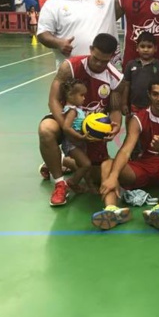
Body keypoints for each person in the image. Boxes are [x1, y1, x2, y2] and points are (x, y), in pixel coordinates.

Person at [38, 33, 123, 207]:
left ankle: (58, 161)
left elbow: (115, 108)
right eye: (96, 58)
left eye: (104, 61)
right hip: (67, 118)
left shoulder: (115, 77)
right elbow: (53, 100)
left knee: (95, 175)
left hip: (92, 129)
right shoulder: (70, 67)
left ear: (111, 57)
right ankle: (60, 184)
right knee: (46, 129)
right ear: (91, 49)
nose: (98, 64)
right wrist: (66, 128)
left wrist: (115, 127)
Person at [98, 80, 159, 231]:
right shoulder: (138, 118)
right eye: (155, 94)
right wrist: (114, 176)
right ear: (149, 95)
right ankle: (112, 210)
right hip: (143, 166)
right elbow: (126, 150)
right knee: (107, 165)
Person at [36, 0, 120, 68]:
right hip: (72, 70)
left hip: (106, 69)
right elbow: (43, 34)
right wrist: (58, 43)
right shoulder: (53, 3)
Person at [121, 31, 159, 116]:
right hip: (134, 106)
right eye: (142, 46)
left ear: (155, 48)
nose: (146, 50)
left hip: (153, 107)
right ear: (137, 48)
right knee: (132, 123)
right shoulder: (130, 65)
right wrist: (124, 103)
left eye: (149, 47)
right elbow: (126, 86)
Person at [59, 79, 95, 194]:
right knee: (86, 164)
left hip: (78, 143)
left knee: (83, 166)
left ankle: (90, 186)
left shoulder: (77, 109)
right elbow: (66, 127)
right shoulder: (72, 111)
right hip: (72, 144)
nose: (84, 98)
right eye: (81, 95)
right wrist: (80, 137)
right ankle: (72, 182)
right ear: (70, 95)